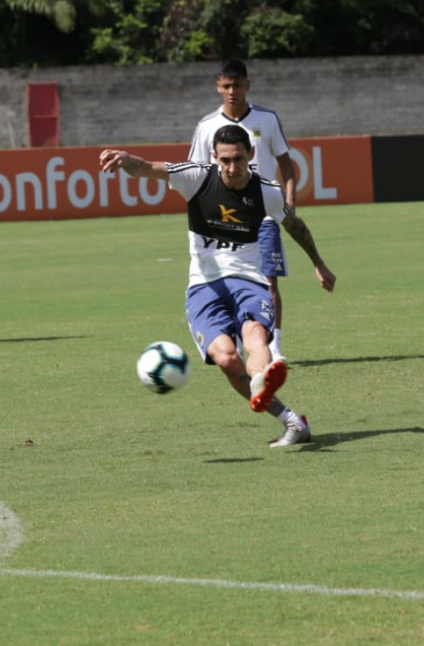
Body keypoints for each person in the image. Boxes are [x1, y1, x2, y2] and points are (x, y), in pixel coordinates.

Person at [100, 124, 335, 446]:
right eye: (225, 160)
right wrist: (125, 158)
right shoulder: (195, 177)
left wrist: (318, 263)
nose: (232, 168)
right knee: (225, 358)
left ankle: (261, 377)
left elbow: (294, 224)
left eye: (238, 159)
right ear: (214, 157)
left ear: (250, 155)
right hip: (203, 285)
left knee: (253, 332)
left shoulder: (267, 191)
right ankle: (291, 420)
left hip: (248, 280)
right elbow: (146, 168)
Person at [188, 60, 295, 361]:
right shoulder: (206, 126)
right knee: (227, 278)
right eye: (226, 86)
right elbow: (196, 171)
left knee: (269, 279)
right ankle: (234, 337)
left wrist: (289, 200)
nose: (232, 91)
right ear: (218, 87)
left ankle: (273, 348)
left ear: (248, 85)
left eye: (237, 85)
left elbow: (285, 162)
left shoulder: (266, 119)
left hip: (263, 213)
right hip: (222, 216)